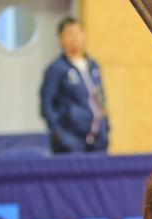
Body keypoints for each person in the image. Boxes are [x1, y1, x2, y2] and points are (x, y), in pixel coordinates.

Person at [40, 17, 109, 154]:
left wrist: (105, 126)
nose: (75, 37)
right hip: (71, 143)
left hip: (98, 140)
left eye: (78, 32)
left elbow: (101, 97)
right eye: (70, 33)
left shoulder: (93, 65)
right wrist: (59, 134)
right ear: (61, 38)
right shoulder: (56, 69)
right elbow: (46, 105)